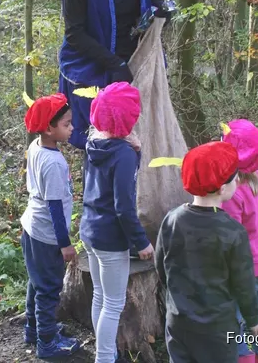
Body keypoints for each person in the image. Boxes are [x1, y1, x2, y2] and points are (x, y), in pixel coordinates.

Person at [58, 0, 167, 150]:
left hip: (137, 63)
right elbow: (74, 33)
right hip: (96, 66)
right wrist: (114, 64)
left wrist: (161, 11)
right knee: (104, 143)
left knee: (141, 140)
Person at [156, 141, 258, 363]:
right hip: (217, 329)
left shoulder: (172, 219)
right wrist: (254, 320)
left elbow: (161, 266)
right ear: (222, 188)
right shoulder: (233, 231)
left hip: (178, 321)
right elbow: (243, 283)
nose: (238, 180)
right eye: (235, 176)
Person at [81, 82, 153, 363]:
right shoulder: (122, 154)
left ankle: (106, 352)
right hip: (110, 238)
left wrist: (135, 152)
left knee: (100, 296)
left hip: (89, 229)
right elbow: (123, 206)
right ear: (129, 119)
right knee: (113, 303)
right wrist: (141, 242)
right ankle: (104, 358)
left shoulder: (93, 143)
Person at [20, 93, 81, 358]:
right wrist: (65, 244)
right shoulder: (54, 163)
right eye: (67, 124)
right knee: (48, 290)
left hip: (31, 226)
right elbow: (55, 208)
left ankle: (33, 330)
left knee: (36, 283)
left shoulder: (37, 146)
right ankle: (46, 343)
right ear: (49, 128)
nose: (72, 128)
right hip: (47, 235)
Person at [221, 120, 258, 363]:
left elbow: (230, 237)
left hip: (247, 270)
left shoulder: (232, 192)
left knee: (236, 326)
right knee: (255, 319)